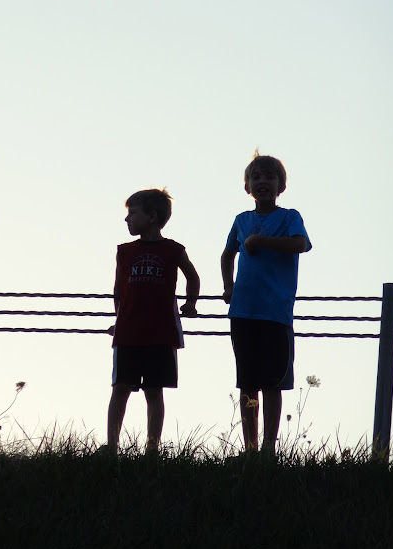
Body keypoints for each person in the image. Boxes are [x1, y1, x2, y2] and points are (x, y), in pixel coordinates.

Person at [221, 152, 311, 455]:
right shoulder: (242, 220)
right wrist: (228, 287)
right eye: (256, 177)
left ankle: (269, 448)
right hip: (243, 311)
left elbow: (301, 244)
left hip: (275, 312)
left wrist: (262, 242)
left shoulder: (289, 217)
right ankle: (250, 449)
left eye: (269, 177)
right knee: (248, 383)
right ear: (247, 186)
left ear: (281, 185)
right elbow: (227, 254)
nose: (262, 182)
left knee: (273, 383)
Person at [107, 188, 200, 453]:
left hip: (161, 333)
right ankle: (112, 447)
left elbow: (192, 277)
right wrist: (118, 319)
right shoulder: (125, 252)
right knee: (120, 387)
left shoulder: (173, 250)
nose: (127, 219)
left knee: (154, 390)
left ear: (152, 216)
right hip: (128, 332)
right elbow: (118, 290)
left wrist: (191, 303)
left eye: (132, 213)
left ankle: (152, 449)